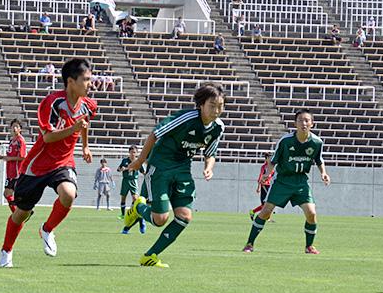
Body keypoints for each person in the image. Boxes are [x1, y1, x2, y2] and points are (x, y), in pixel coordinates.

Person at [0, 58, 97, 267]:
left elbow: (84, 124)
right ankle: (6, 251)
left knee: (69, 194)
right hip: (37, 166)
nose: (91, 84)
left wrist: (85, 146)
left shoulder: (89, 105)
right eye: (86, 79)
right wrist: (74, 128)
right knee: (21, 213)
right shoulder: (51, 103)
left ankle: (47, 229)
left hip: (64, 162)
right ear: (71, 81)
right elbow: (48, 137)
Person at [123, 83, 226, 268]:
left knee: (185, 216)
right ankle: (139, 208)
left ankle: (150, 255)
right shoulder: (186, 118)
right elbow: (154, 135)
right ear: (201, 105)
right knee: (160, 219)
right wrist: (140, 160)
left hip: (183, 170)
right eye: (212, 105)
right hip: (161, 166)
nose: (217, 110)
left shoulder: (218, 127)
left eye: (220, 106)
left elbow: (210, 153)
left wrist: (209, 167)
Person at [242, 109, 331, 255]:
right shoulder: (285, 141)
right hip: (282, 181)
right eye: (300, 120)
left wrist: (324, 173)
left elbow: (319, 160)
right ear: (295, 123)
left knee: (311, 213)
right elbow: (273, 160)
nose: (304, 123)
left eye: (307, 120)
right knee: (265, 212)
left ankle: (309, 246)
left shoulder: (316, 142)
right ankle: (249, 243)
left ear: (312, 124)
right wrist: (267, 174)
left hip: (301, 181)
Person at [0, 119, 27, 213]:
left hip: (17, 173)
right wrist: (3, 157)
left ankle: (20, 213)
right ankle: (17, 213)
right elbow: (10, 156)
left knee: (13, 194)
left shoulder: (20, 141)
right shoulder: (12, 141)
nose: (14, 128)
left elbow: (23, 157)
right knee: (7, 194)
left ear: (20, 129)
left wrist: (9, 158)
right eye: (13, 126)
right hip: (10, 172)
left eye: (17, 126)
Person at [118, 145, 147, 234]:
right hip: (125, 181)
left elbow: (143, 172)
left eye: (134, 152)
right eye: (131, 152)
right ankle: (123, 214)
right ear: (129, 152)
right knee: (123, 198)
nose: (133, 154)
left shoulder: (138, 161)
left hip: (133, 181)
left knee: (136, 200)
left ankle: (140, 220)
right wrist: (121, 169)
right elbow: (118, 169)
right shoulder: (125, 160)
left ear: (137, 153)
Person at [249, 152, 275, 223]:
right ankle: (253, 212)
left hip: (269, 186)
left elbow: (273, 175)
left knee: (268, 203)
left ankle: (267, 217)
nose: (270, 159)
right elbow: (260, 177)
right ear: (266, 158)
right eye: (269, 158)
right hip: (264, 186)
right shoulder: (264, 167)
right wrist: (259, 187)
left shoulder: (272, 167)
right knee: (266, 204)